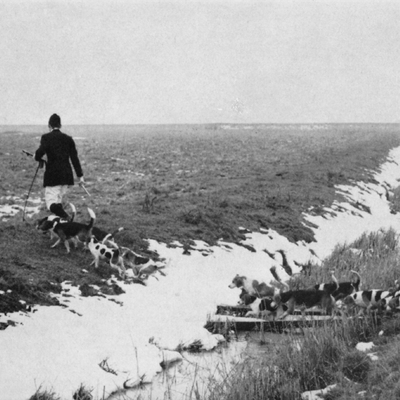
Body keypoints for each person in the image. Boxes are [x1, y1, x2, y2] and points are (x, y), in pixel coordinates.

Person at [35, 113, 85, 220]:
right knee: (58, 201)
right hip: (66, 176)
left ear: (49, 125)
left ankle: (67, 219)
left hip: (53, 176)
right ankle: (61, 228)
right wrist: (80, 176)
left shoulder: (46, 137)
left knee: (51, 203)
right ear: (60, 125)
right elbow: (74, 159)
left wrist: (36, 156)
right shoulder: (68, 139)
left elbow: (39, 154)